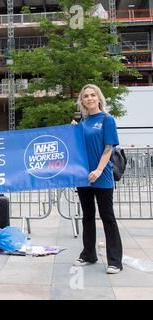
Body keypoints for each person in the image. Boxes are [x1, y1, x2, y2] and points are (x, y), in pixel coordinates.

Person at [71, 84, 123, 274]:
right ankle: (88, 254)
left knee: (107, 217)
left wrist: (99, 170)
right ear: (82, 100)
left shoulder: (107, 120)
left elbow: (109, 148)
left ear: (99, 98)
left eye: (93, 95)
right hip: (84, 178)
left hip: (101, 177)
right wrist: (73, 132)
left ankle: (115, 261)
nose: (90, 98)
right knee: (87, 217)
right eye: (86, 96)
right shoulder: (82, 122)